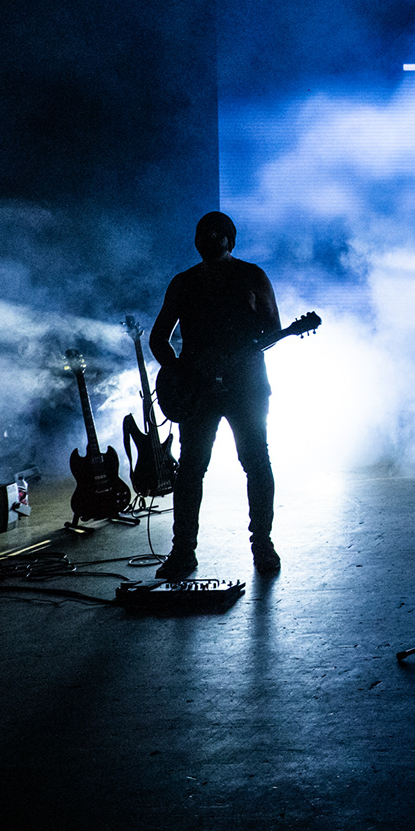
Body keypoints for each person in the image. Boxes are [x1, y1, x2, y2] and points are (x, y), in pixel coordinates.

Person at [150, 212, 282, 579]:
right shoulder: (184, 283)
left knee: (255, 463)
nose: (209, 239)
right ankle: (183, 551)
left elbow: (272, 331)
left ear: (230, 239)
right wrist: (179, 371)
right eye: (203, 234)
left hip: (247, 387)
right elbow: (158, 338)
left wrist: (246, 350)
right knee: (192, 469)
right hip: (198, 390)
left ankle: (262, 545)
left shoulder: (252, 276)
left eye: (216, 233)